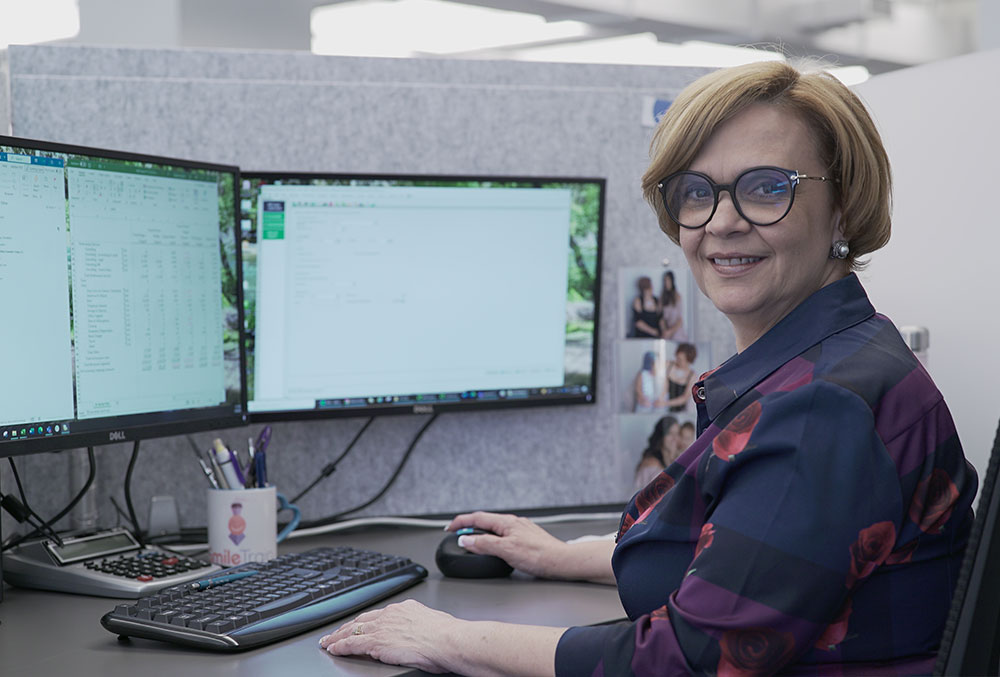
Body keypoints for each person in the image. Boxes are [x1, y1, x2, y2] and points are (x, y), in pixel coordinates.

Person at [319, 60, 977, 676]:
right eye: (697, 192)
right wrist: (559, 555)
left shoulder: (823, 409)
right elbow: (744, 562)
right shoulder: (835, 356)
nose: (722, 222)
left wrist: (447, 638)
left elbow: (686, 658)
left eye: (766, 187)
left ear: (841, 205)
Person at [633, 415, 682, 489]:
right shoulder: (651, 464)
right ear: (661, 436)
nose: (675, 438)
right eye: (670, 433)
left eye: (677, 433)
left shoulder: (673, 458)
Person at [664, 342, 698, 413]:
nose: (677, 360)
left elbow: (684, 398)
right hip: (661, 405)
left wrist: (665, 403)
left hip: (679, 410)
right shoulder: (668, 365)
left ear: (688, 360)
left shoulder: (692, 376)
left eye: (680, 359)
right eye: (677, 357)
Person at [659, 270, 688, 341]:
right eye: (665, 280)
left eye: (668, 280)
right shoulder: (662, 297)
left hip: (676, 331)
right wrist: (665, 331)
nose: (666, 283)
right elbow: (661, 318)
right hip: (666, 332)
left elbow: (680, 320)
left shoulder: (677, 296)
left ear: (672, 281)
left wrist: (670, 332)